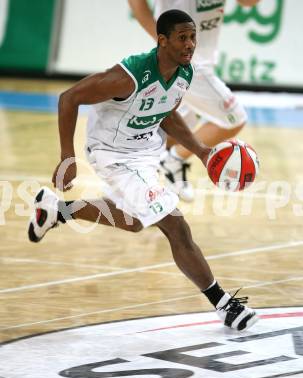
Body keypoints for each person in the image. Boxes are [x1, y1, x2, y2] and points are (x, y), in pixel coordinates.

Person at [28, 10, 258, 331]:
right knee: (175, 225)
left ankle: (57, 210)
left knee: (135, 220)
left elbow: (166, 112)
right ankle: (224, 305)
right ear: (162, 41)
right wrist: (68, 158)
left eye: (193, 37)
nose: (190, 44)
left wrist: (201, 151)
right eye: (182, 37)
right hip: (112, 152)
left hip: (144, 151)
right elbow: (69, 98)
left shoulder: (183, 72)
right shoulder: (130, 75)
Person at [128, 0, 260, 201]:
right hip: (188, 64)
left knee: (169, 135)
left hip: (201, 62)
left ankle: (134, 193)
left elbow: (248, 2)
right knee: (234, 117)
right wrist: (164, 41)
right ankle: (173, 161)